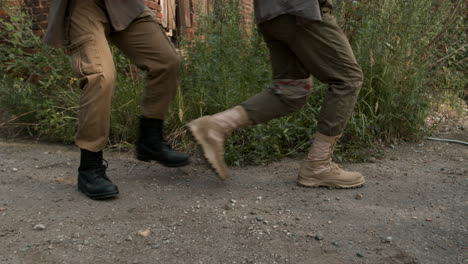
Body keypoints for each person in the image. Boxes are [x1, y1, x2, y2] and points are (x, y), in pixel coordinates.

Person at [188, 0, 365, 189]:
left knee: (291, 91)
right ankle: (318, 164)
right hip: (301, 10)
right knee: (348, 79)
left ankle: (216, 125)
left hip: (273, 14)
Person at [43, 0, 190, 199]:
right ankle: (89, 167)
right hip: (83, 6)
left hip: (125, 5)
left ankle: (150, 139)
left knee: (166, 61)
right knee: (100, 76)